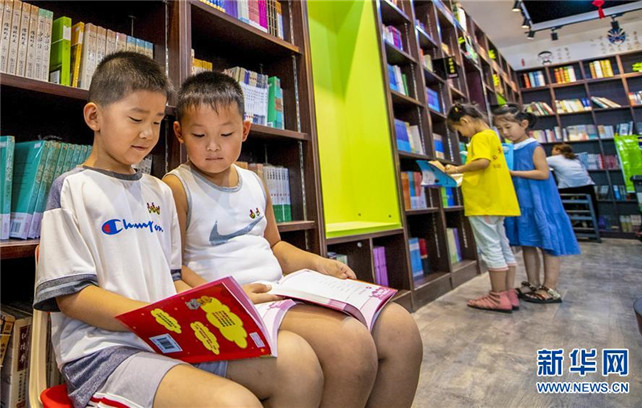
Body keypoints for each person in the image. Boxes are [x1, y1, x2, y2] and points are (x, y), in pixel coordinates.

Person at [33, 52, 324, 408]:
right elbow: (72, 297)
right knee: (235, 404)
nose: (147, 133)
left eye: (156, 122)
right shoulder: (72, 189)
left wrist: (223, 303)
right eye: (136, 119)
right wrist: (154, 316)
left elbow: (174, 280)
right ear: (94, 116)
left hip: (170, 338)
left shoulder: (158, 192)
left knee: (299, 364)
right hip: (105, 354)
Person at [162, 71, 423, 408]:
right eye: (199, 135)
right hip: (233, 304)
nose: (213, 146)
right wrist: (230, 295)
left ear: (245, 130)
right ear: (180, 133)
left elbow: (275, 245)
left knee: (401, 330)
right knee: (350, 345)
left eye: (226, 134)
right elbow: (174, 268)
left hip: (281, 290)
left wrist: (319, 263)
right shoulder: (176, 186)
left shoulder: (253, 181)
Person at [493, 104, 581, 304]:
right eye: (500, 129)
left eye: (508, 127)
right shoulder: (509, 149)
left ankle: (550, 287)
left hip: (541, 202)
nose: (504, 132)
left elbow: (543, 173)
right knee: (528, 243)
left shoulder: (534, 147)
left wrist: (513, 173)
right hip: (522, 202)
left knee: (548, 244)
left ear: (524, 124)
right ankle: (532, 283)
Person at [443, 103, 521, 313]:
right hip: (498, 201)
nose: (462, 134)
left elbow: (482, 162)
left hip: (483, 202)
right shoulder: (493, 136)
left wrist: (457, 169)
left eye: (459, 130)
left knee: (491, 248)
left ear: (465, 121)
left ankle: (497, 296)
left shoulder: (479, 138)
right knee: (503, 246)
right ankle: (508, 293)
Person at [547, 143, 598, 220]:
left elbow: (536, 163)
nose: (551, 151)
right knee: (592, 206)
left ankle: (567, 221)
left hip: (568, 187)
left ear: (558, 150)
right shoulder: (575, 158)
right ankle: (594, 221)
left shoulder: (553, 159)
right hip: (587, 185)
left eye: (553, 149)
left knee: (561, 205)